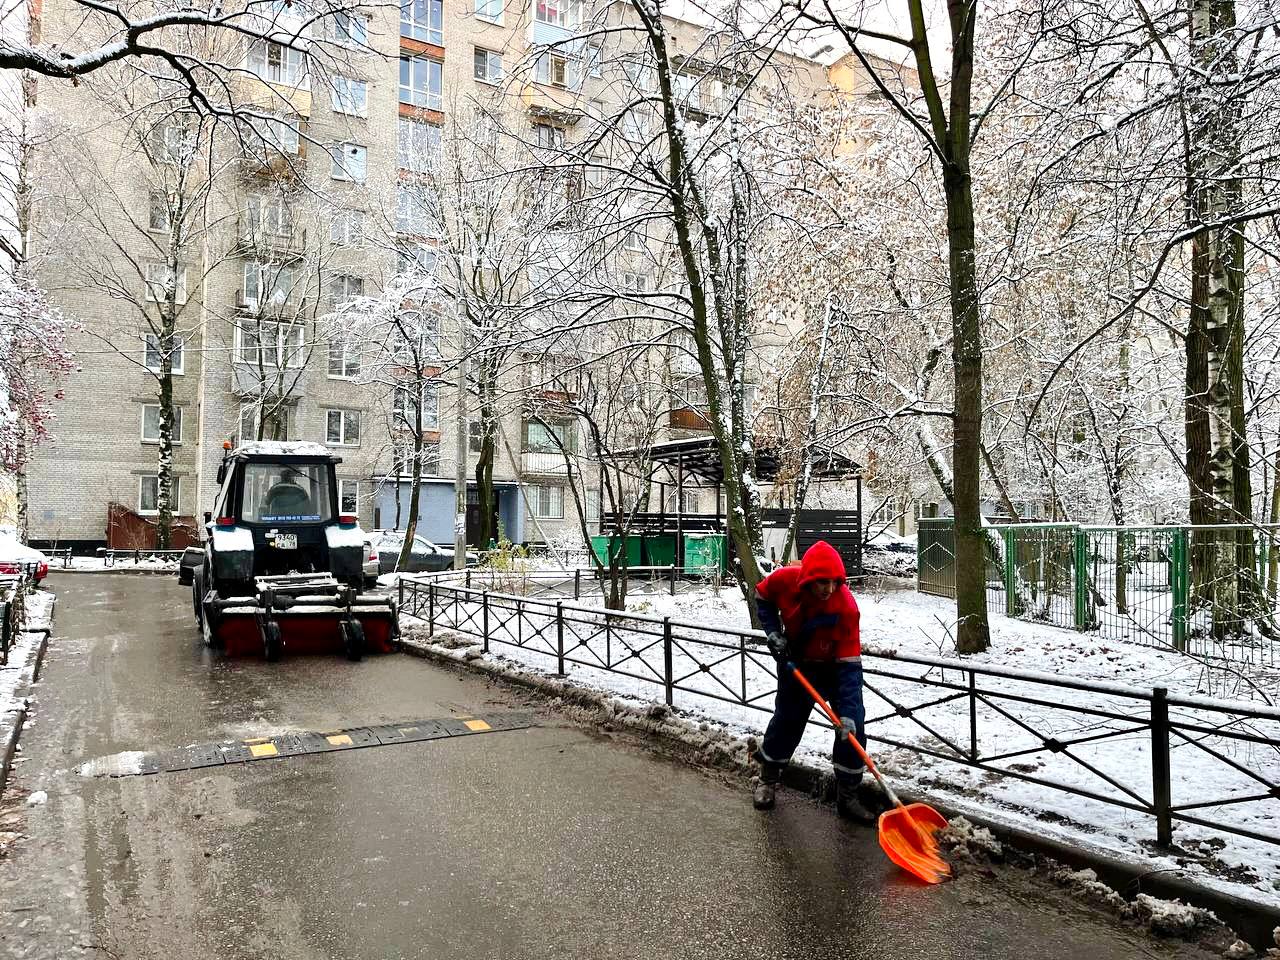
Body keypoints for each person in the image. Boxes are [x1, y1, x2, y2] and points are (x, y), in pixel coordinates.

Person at [752, 540, 873, 823]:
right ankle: (767, 780)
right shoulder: (784, 580)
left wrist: (848, 712)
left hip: (834, 669)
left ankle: (848, 796)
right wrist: (772, 632)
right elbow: (763, 596)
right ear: (807, 579)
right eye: (822, 582)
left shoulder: (846, 607)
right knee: (787, 721)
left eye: (834, 582)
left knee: (852, 727)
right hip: (796, 665)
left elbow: (850, 665)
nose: (829, 589)